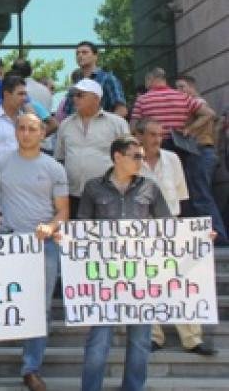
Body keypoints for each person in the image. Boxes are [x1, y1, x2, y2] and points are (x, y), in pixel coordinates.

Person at [0, 114, 69, 391]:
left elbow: (63, 211)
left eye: (32, 129)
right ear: (16, 132)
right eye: (22, 128)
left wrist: (50, 227)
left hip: (43, 245)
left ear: (42, 134)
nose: (26, 133)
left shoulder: (54, 167)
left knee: (40, 308)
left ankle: (31, 368)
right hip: (8, 242)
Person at [78, 135, 172, 391]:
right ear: (117, 157)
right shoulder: (93, 188)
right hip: (104, 275)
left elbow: (168, 225)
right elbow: (82, 226)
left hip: (140, 275)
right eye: (136, 156)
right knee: (98, 340)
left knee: (140, 341)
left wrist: (197, 237)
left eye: (142, 156)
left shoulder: (150, 187)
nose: (142, 161)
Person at [132, 117, 217, 356]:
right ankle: (153, 336)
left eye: (160, 135)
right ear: (139, 136)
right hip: (142, 229)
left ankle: (192, 338)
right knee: (148, 283)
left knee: (181, 281)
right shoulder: (131, 161)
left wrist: (189, 231)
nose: (157, 140)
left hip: (172, 226)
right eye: (152, 134)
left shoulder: (172, 159)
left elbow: (182, 196)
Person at [54, 79, 129, 218]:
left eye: (80, 95)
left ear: (96, 98)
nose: (75, 99)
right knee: (76, 231)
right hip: (73, 195)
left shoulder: (117, 124)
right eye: (74, 95)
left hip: (108, 195)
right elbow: (60, 158)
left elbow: (128, 159)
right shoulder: (65, 125)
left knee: (106, 231)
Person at [174, 74, 227, 243]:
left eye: (182, 87)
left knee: (201, 197)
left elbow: (210, 115)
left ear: (192, 87)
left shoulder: (198, 103)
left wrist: (188, 129)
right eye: (177, 88)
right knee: (200, 196)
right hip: (204, 152)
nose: (179, 91)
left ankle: (218, 237)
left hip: (201, 152)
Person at [61, 41, 127, 117]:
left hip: (101, 122)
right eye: (77, 53)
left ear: (95, 56)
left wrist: (106, 123)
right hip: (76, 123)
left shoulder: (107, 79)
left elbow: (121, 110)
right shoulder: (76, 83)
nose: (80, 55)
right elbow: (67, 112)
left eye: (84, 52)